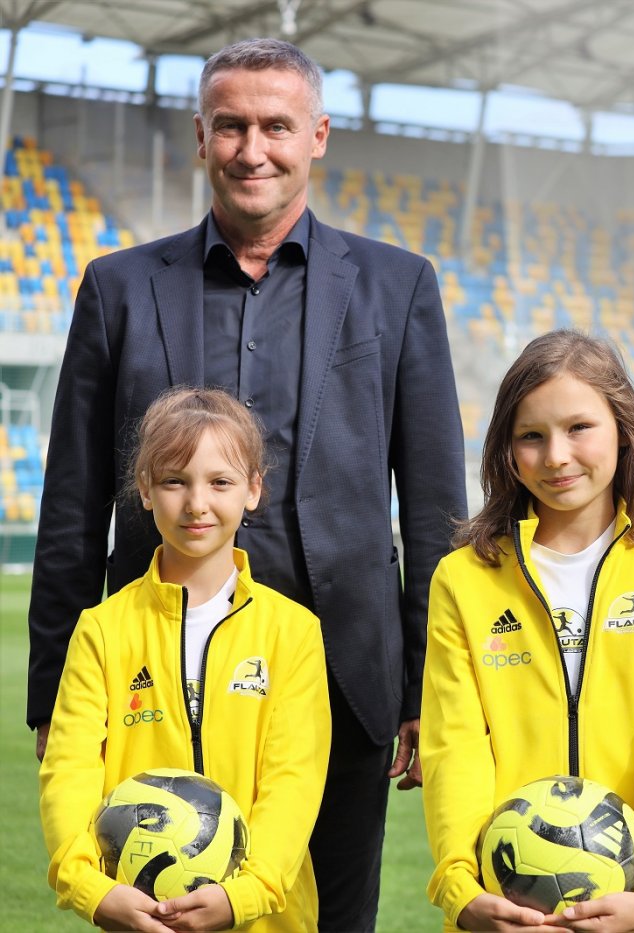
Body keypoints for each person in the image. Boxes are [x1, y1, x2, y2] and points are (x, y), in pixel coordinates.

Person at [26, 38, 467, 931]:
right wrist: (51, 691)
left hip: (345, 675)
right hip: (159, 670)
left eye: (276, 125)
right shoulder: (116, 288)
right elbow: (72, 503)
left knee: (335, 913)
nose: (252, 148)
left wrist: (425, 688)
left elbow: (432, 505)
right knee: (162, 909)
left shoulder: (397, 286)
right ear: (201, 136)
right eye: (231, 125)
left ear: (318, 136)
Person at [420, 330, 634, 933]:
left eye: (579, 428)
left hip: (629, 910)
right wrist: (459, 885)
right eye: (531, 436)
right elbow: (455, 744)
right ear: (505, 448)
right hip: (499, 909)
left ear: (623, 429)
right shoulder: (462, 579)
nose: (556, 456)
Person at [40, 387, 331, 933]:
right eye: (175, 481)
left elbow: (294, 780)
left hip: (266, 918)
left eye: (220, 482)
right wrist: (90, 889)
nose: (197, 503)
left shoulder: (293, 631)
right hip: (139, 913)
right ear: (145, 490)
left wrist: (248, 892)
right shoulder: (102, 629)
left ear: (253, 490)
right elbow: (69, 771)